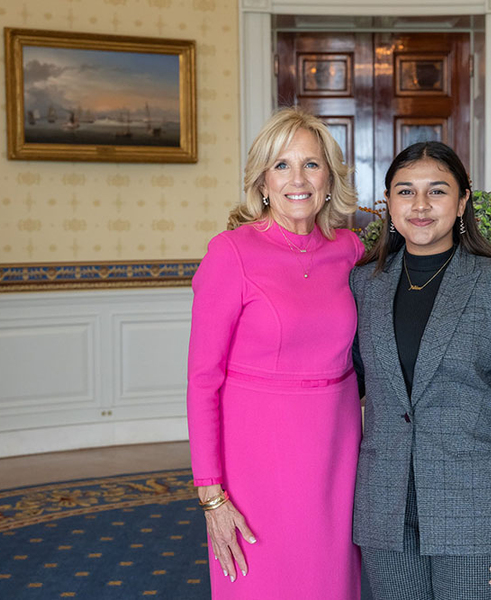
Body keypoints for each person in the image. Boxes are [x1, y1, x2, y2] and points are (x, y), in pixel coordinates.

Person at [350, 142, 491, 599]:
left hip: (474, 509)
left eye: (436, 191)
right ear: (388, 203)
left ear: (462, 201)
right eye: (405, 192)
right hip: (384, 509)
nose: (420, 206)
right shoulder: (365, 283)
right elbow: (344, 386)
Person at [186, 107, 363, 599]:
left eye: (311, 163)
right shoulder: (231, 252)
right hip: (256, 463)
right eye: (282, 165)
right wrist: (212, 496)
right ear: (262, 179)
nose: (297, 179)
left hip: (336, 455)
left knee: (332, 584)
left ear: (330, 176)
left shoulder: (350, 250)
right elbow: (203, 380)